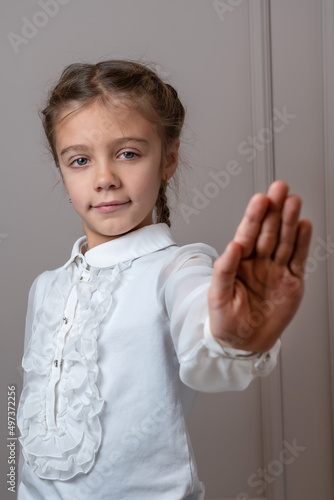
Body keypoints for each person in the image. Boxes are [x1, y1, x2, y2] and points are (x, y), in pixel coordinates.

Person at [16, 59, 312, 500]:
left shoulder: (179, 268)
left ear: (168, 159)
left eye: (128, 153)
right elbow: (23, 422)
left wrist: (236, 336)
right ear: (63, 172)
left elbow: (204, 341)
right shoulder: (44, 288)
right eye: (79, 160)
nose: (104, 179)